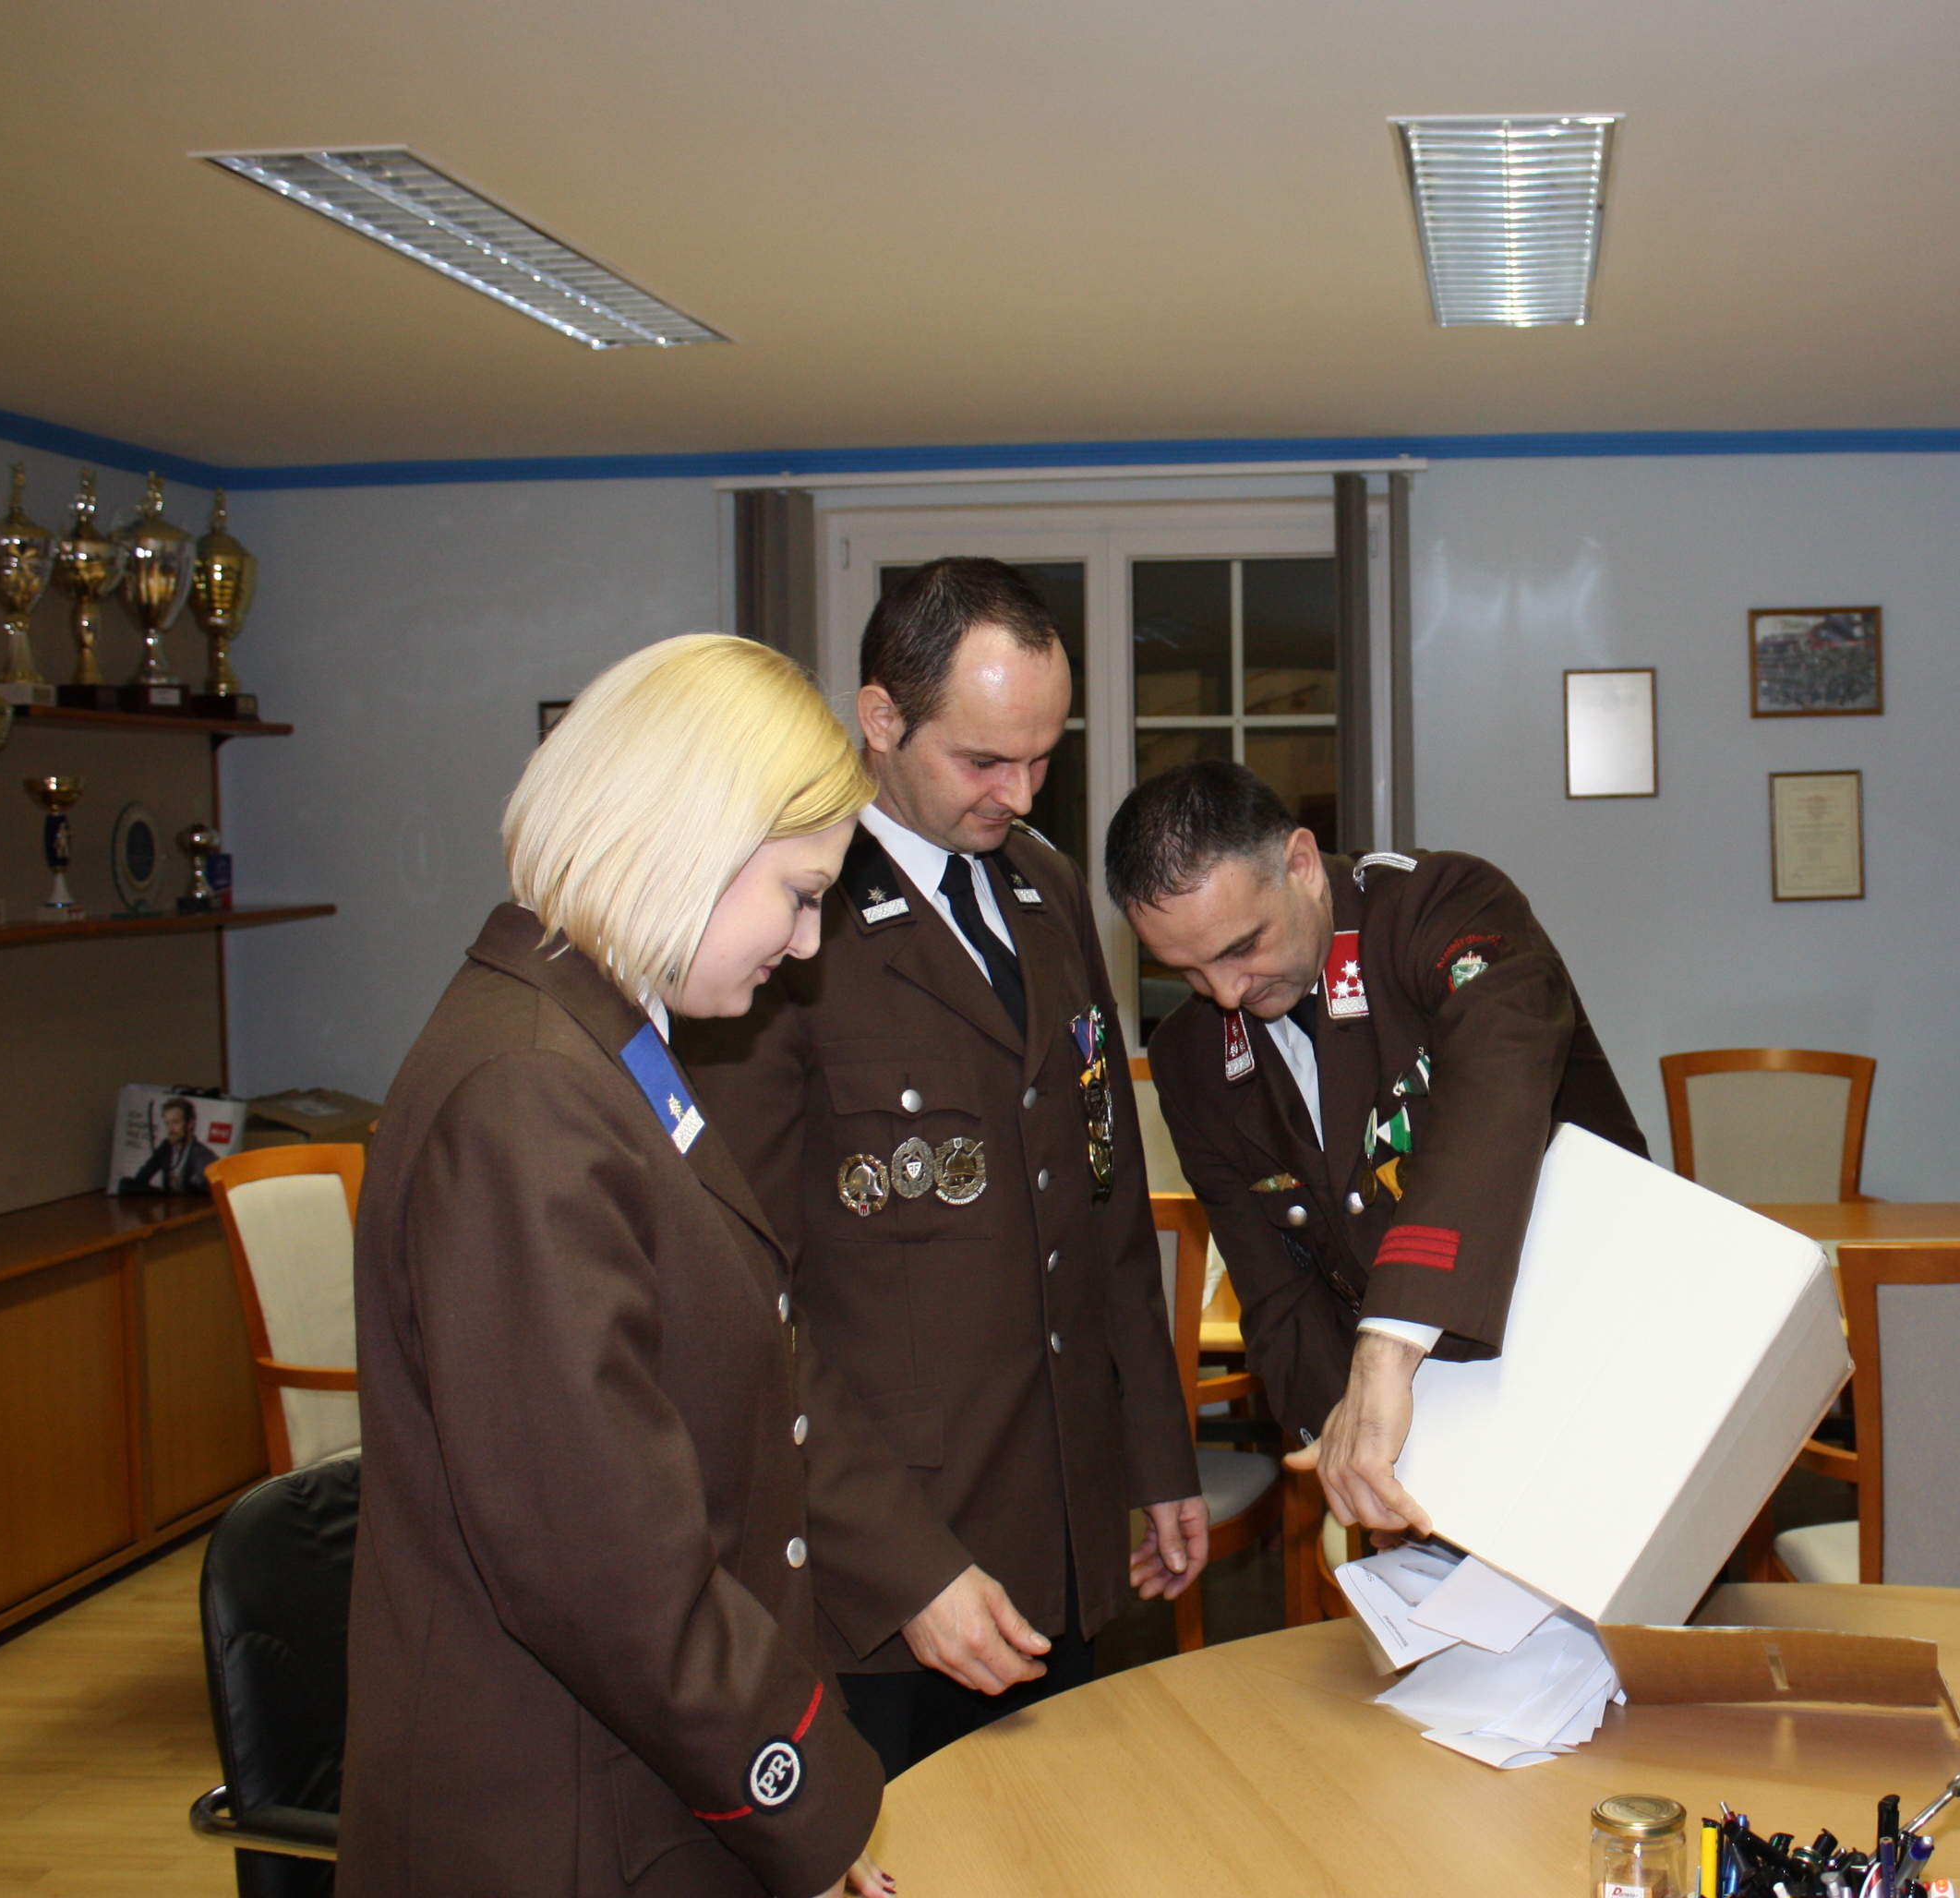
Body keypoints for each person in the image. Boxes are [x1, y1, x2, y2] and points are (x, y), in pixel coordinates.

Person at [342, 636, 887, 1898]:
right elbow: (603, 1568)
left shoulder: (589, 1044)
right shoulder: (530, 1089)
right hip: (564, 1817)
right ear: (691, 839)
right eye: (800, 893)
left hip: (635, 1777)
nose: (808, 943)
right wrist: (801, 1808)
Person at [682, 559, 1203, 1779]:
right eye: (983, 761)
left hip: (1060, 1528)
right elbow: (745, 1299)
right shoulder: (786, 922)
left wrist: (1156, 1454)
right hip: (884, 1571)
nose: (1018, 794)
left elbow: (1104, 1200)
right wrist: (900, 1561)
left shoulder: (1046, 889)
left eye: (1043, 758)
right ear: (881, 719)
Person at [1103, 761, 1647, 1537]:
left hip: (1598, 1359)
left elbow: (1491, 1107)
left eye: (1242, 947)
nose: (1225, 992)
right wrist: (1359, 1451)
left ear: (1300, 864)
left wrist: (1387, 1348)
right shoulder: (1192, 1059)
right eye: (1185, 969)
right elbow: (1279, 1296)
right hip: (1433, 1437)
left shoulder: (1443, 908)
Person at [123, 1097, 215, 1194]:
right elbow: (142, 1177)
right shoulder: (166, 1147)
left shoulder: (202, 1155)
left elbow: (204, 1191)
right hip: (168, 1200)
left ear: (190, 1124)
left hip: (190, 1201)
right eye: (167, 1123)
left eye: (175, 1122)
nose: (170, 1129)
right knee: (126, 1184)